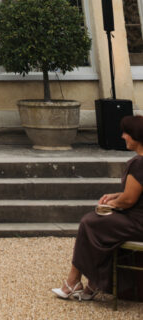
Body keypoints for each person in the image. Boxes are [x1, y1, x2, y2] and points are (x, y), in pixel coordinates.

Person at [52, 114, 143, 301]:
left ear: (136, 136)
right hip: (137, 219)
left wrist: (111, 204)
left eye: (126, 133)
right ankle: (92, 282)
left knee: (89, 222)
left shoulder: (139, 163)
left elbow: (129, 200)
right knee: (94, 223)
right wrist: (116, 195)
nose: (123, 136)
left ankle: (74, 281)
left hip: (138, 223)